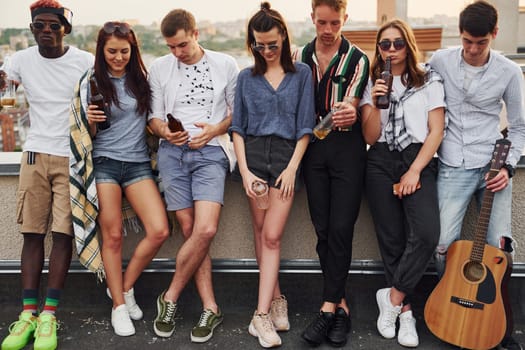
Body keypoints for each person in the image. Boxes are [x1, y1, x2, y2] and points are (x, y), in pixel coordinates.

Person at [428, 1, 525, 349]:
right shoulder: (439, 60)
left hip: (493, 165)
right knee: (441, 246)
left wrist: (509, 167)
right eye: (467, 40)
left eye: (480, 42)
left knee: (500, 247)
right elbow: (411, 84)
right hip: (453, 163)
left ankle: (499, 324)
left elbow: (519, 129)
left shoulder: (510, 72)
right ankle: (452, 310)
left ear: (494, 35)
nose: (472, 49)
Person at [0, 1, 94, 350]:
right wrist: (2, 89)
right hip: (36, 154)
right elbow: (6, 101)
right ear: (31, 28)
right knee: (31, 234)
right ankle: (27, 314)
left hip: (72, 155)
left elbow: (102, 101)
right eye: (39, 25)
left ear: (65, 29)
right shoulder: (20, 60)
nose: (46, 31)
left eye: (53, 26)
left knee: (63, 234)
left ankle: (49, 315)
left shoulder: (84, 61)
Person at [146, 8, 238, 344]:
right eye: (171, 47)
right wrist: (164, 134)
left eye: (182, 45)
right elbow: (154, 117)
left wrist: (214, 129)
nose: (177, 53)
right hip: (172, 154)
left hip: (211, 152)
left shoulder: (225, 64)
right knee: (188, 230)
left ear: (196, 33)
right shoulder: (159, 68)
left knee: (206, 228)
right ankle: (210, 307)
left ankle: (169, 296)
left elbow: (234, 113)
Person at [73, 21, 170, 337]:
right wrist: (89, 120)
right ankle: (118, 306)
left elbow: (154, 120)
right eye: (111, 51)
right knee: (112, 236)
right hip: (104, 165)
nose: (118, 57)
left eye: (124, 51)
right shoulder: (92, 82)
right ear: (101, 50)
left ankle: (125, 288)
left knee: (159, 230)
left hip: (138, 164)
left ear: (133, 50)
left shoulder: (141, 81)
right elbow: (79, 134)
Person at [230, 2, 315, 348]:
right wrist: (246, 171)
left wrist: (293, 167)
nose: (265, 51)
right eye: (258, 45)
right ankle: (277, 300)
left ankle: (260, 315)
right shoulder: (245, 78)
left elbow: (306, 126)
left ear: (284, 37)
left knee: (273, 236)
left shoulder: (302, 74)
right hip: (253, 159)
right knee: (262, 232)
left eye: (272, 44)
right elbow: (237, 128)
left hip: (285, 160)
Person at [360, 19, 445, 348]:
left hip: (416, 158)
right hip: (379, 160)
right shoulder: (372, 82)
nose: (391, 50)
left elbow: (435, 130)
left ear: (408, 45)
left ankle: (392, 298)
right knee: (391, 239)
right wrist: (376, 102)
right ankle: (406, 313)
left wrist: (413, 171)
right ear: (378, 50)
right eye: (385, 45)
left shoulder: (428, 78)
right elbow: (369, 136)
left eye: (398, 43)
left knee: (425, 233)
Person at [294, 0, 369, 347]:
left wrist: (350, 112)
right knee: (322, 228)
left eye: (334, 23)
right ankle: (341, 305)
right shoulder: (299, 56)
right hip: (312, 148)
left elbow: (352, 102)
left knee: (341, 227)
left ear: (344, 19)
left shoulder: (357, 58)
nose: (327, 30)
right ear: (312, 18)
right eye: (321, 22)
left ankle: (327, 308)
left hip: (347, 148)